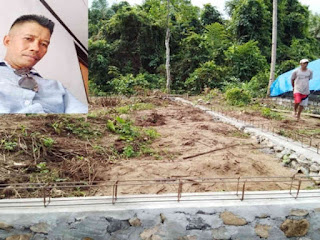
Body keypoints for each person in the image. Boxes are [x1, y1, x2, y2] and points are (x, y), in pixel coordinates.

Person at [0, 14, 88, 113]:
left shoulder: (56, 87)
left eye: (44, 44)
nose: (36, 48)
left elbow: (84, 116)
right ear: (7, 41)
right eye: (28, 38)